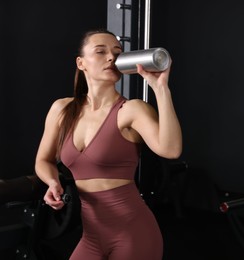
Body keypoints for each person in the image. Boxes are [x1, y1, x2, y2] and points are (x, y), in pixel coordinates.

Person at [34, 28, 182, 260]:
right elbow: (43, 160)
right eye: (100, 52)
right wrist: (53, 182)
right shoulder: (61, 110)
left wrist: (160, 88)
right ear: (81, 62)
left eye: (117, 52)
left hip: (134, 233)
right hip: (91, 237)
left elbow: (171, 150)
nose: (111, 57)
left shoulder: (131, 110)